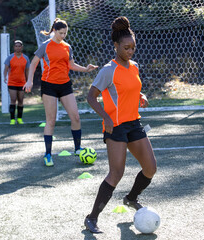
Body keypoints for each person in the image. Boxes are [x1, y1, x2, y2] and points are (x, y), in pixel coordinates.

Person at [84, 16, 157, 234]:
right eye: (126, 48)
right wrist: (105, 117)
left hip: (134, 123)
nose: (130, 51)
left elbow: (129, 88)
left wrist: (140, 95)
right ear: (116, 46)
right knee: (116, 173)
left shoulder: (134, 66)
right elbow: (91, 97)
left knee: (151, 168)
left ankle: (131, 198)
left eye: (133, 48)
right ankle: (91, 218)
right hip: (115, 127)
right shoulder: (108, 70)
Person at [23, 18, 98, 167]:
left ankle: (78, 148)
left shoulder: (67, 47)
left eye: (65, 33)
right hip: (49, 86)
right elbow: (33, 64)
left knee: (76, 117)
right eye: (61, 33)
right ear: (55, 31)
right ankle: (48, 154)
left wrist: (85, 69)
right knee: (51, 120)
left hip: (65, 85)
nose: (64, 35)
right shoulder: (45, 46)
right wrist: (29, 81)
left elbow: (71, 65)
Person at [4, 40, 30, 125]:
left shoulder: (25, 58)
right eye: (16, 46)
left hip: (22, 82)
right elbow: (6, 68)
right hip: (12, 82)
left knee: (21, 100)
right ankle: (12, 119)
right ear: (14, 47)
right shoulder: (10, 57)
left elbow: (27, 71)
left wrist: (28, 81)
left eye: (19, 46)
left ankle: (19, 118)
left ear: (22, 47)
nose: (18, 47)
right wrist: (5, 77)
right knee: (13, 100)